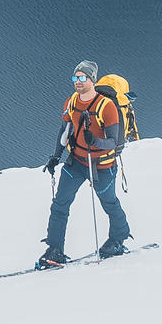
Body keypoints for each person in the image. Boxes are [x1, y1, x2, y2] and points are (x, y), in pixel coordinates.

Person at [38, 60, 132, 267]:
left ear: (92, 80)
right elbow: (64, 130)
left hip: (102, 166)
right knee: (60, 204)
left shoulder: (107, 107)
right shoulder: (71, 101)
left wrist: (94, 141)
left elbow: (112, 142)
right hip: (77, 162)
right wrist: (56, 157)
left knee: (109, 203)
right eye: (75, 77)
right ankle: (54, 249)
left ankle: (118, 239)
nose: (78, 82)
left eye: (83, 78)